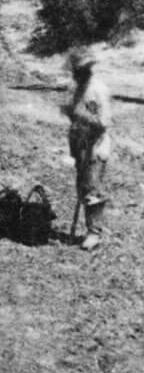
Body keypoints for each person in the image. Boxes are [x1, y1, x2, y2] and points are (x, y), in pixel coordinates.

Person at [63, 48, 113, 251]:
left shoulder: (97, 90)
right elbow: (74, 113)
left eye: (79, 70)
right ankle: (88, 230)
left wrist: (79, 114)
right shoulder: (77, 89)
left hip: (95, 145)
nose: (75, 73)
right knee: (83, 187)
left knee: (92, 188)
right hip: (80, 143)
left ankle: (94, 233)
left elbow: (103, 122)